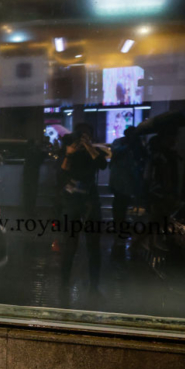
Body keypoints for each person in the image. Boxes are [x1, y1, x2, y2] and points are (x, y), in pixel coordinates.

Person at [59, 123, 108, 300]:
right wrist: (69, 154)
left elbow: (102, 165)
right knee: (70, 245)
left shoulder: (95, 152)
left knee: (94, 246)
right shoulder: (69, 151)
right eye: (82, 136)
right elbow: (62, 172)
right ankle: (64, 285)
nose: (84, 139)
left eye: (87, 136)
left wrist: (89, 147)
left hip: (91, 202)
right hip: (72, 202)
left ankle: (94, 287)